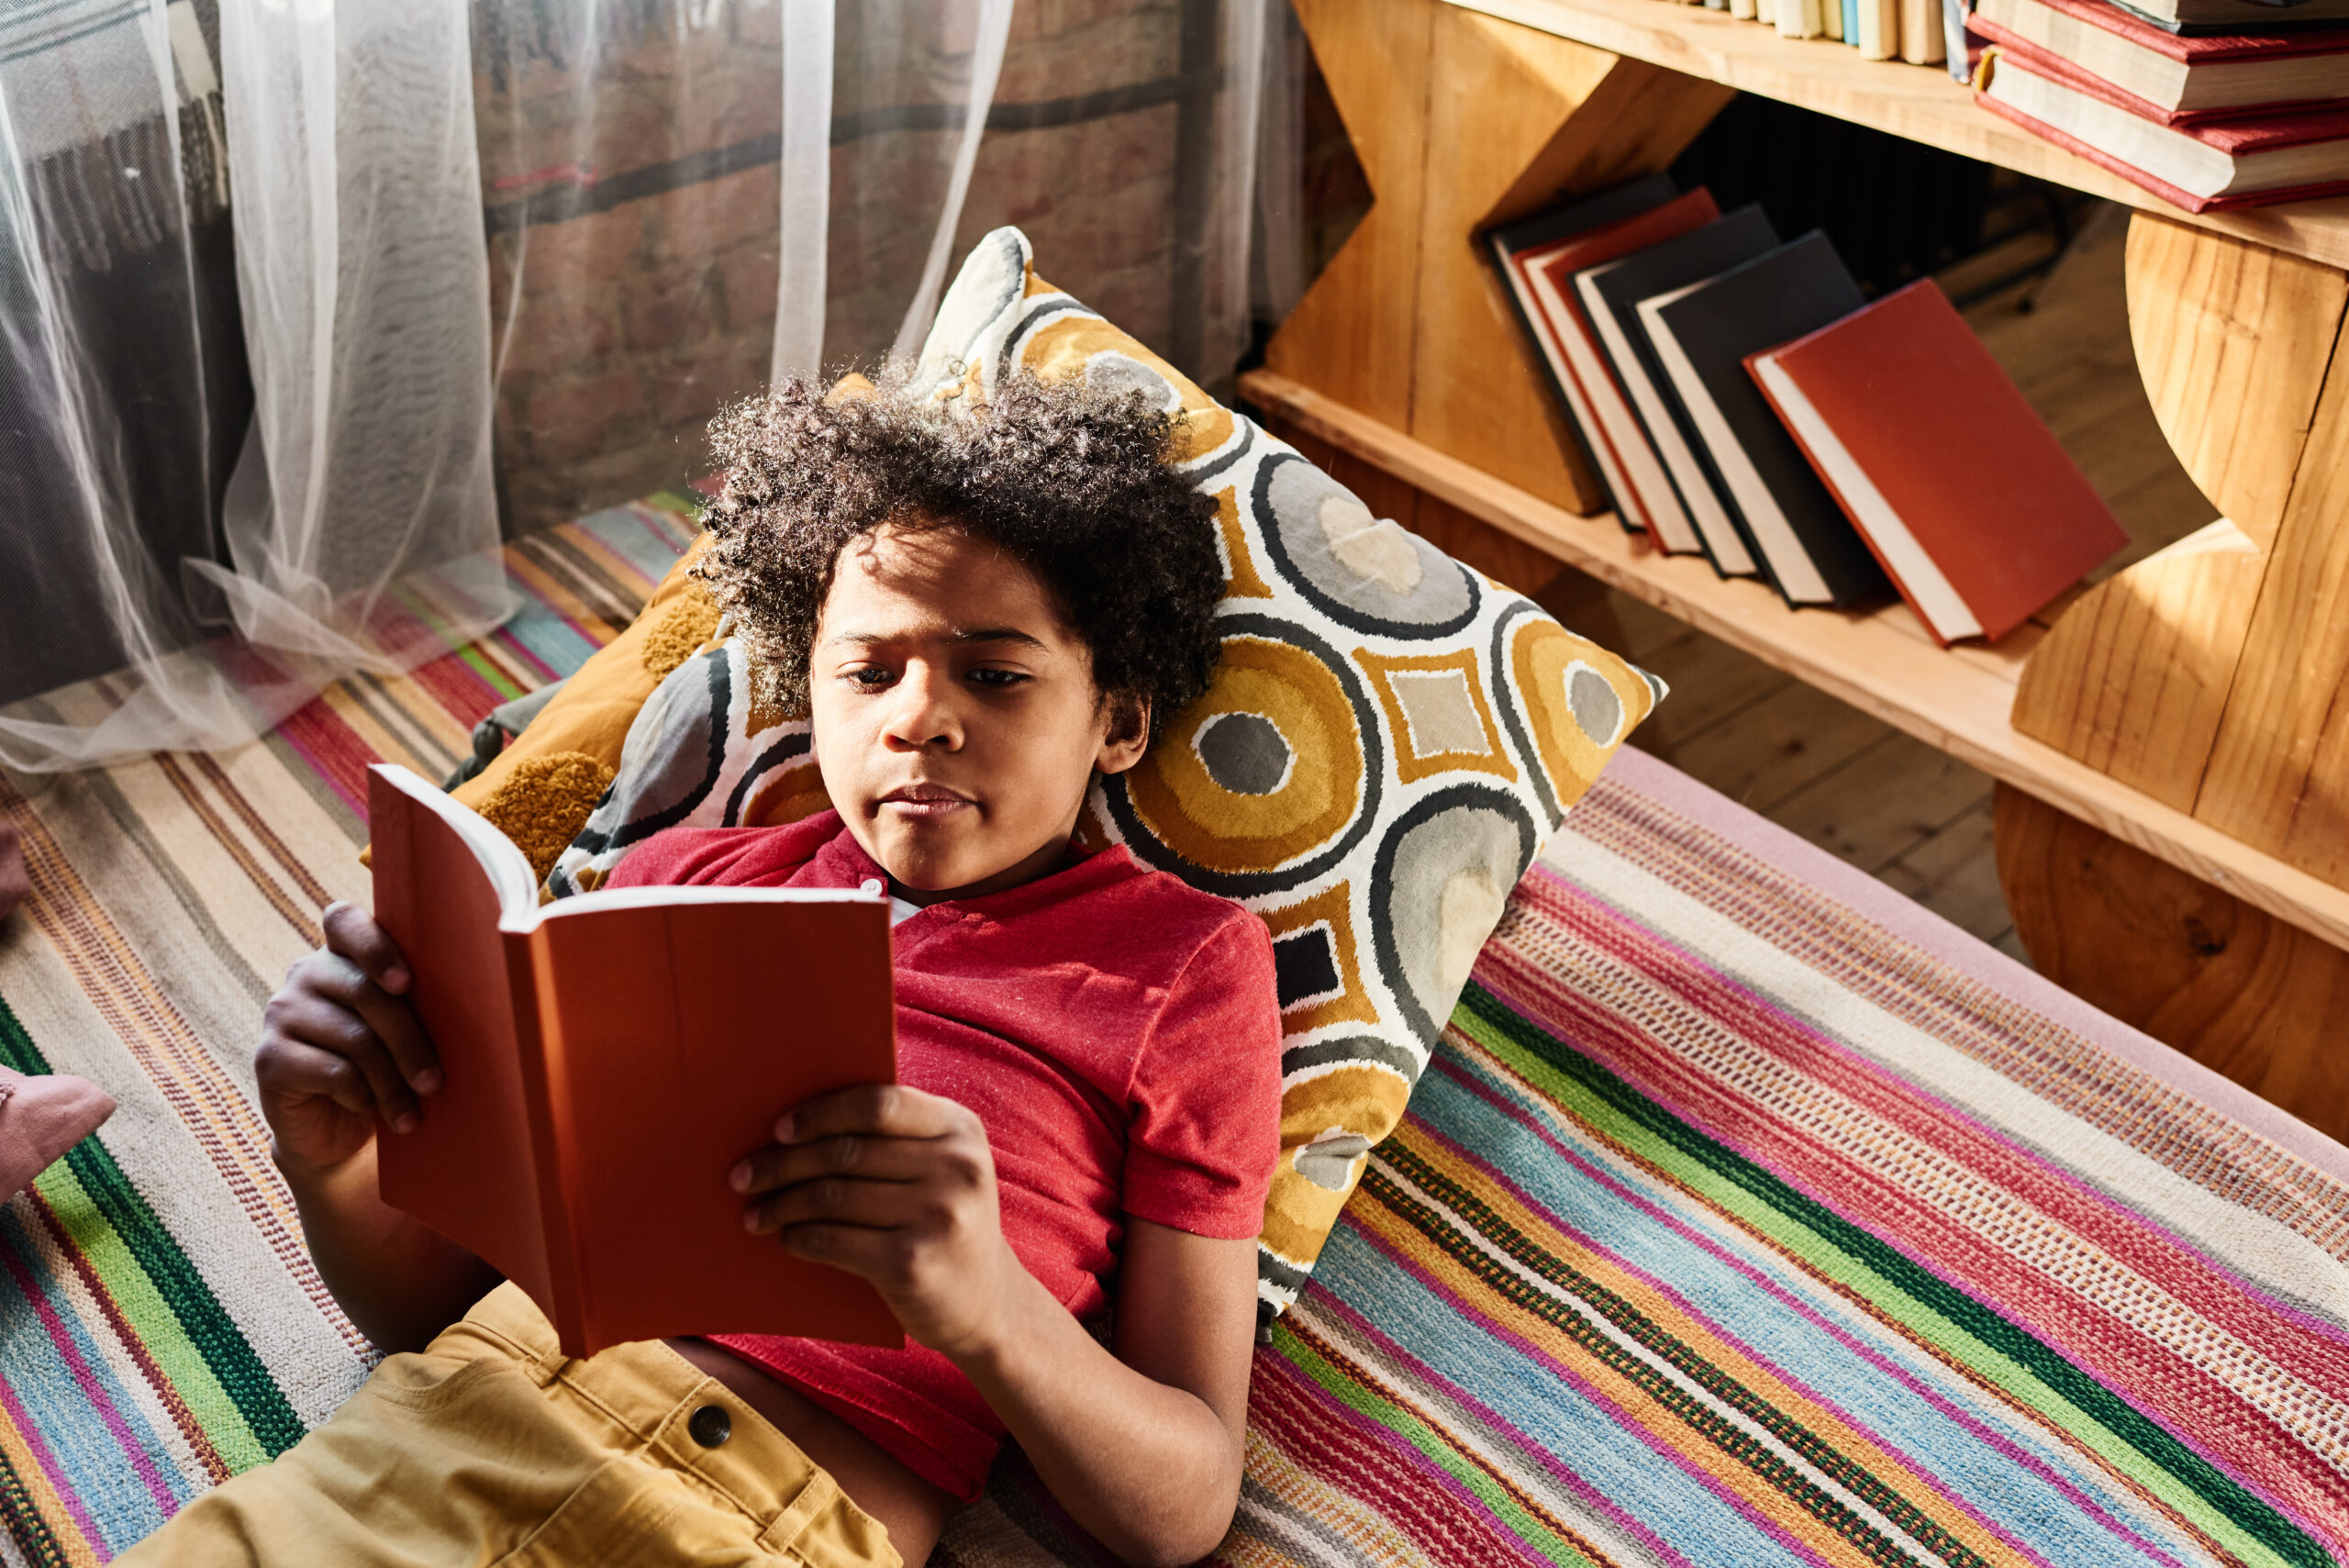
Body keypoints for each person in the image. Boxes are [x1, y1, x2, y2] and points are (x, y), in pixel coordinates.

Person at [125, 374, 1282, 1568]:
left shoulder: (1184, 965)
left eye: (994, 674)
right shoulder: (674, 885)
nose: (918, 717)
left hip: (760, 1522)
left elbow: (1183, 1506)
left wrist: (988, 1306)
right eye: (869, 670)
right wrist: (327, 1156)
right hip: (444, 1427)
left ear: (1121, 721)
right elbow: (431, 1301)